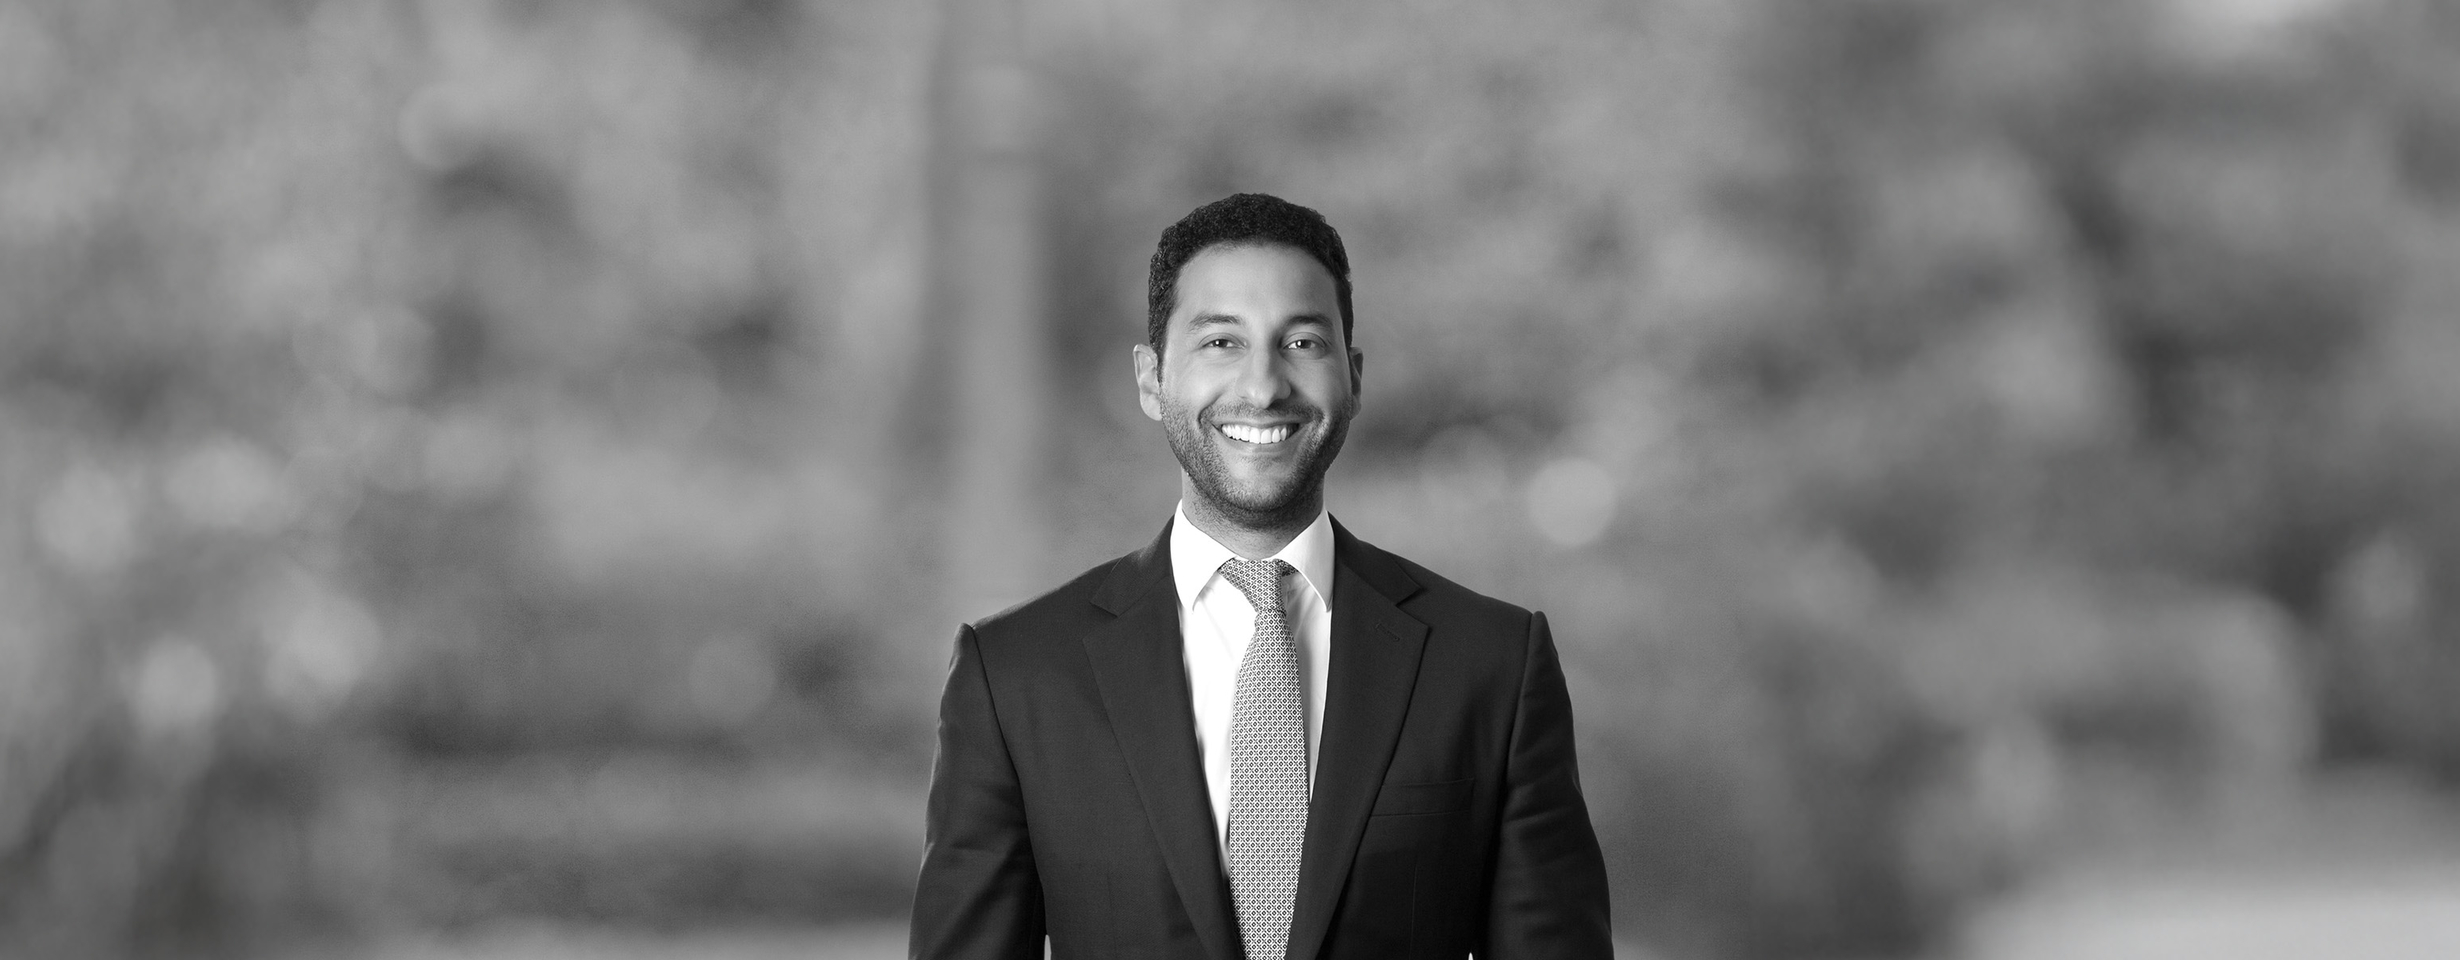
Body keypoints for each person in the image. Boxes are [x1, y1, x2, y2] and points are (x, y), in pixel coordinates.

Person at [910, 193, 1612, 960]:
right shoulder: (1016, 675)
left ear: (1353, 377)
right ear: (1151, 378)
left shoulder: (1491, 665)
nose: (1263, 385)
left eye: (1302, 342)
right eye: (1221, 341)